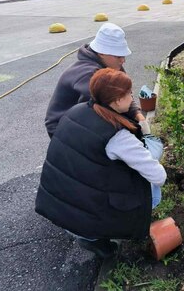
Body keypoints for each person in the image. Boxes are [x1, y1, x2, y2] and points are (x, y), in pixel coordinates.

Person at [36, 68, 166, 258]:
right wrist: (148, 138)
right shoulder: (117, 136)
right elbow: (159, 176)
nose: (132, 99)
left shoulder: (76, 111)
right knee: (153, 190)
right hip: (84, 220)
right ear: (116, 101)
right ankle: (96, 239)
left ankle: (86, 230)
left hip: (57, 206)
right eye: (129, 94)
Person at [45, 22, 149, 138]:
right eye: (118, 56)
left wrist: (138, 115)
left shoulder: (113, 66)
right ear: (102, 53)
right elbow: (100, 114)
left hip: (84, 118)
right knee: (113, 139)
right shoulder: (87, 75)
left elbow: (123, 94)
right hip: (62, 126)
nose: (123, 60)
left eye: (123, 56)